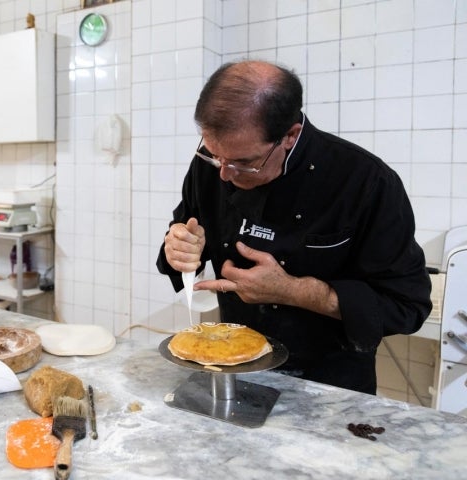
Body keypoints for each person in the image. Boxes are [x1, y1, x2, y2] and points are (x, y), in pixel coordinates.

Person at [156, 60, 432, 394]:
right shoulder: (215, 164)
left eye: (245, 164)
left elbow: (407, 307)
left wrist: (292, 291)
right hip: (234, 373)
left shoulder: (365, 181)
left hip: (329, 387)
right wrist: (179, 249)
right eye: (215, 156)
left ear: (290, 135)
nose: (224, 175)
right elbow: (185, 233)